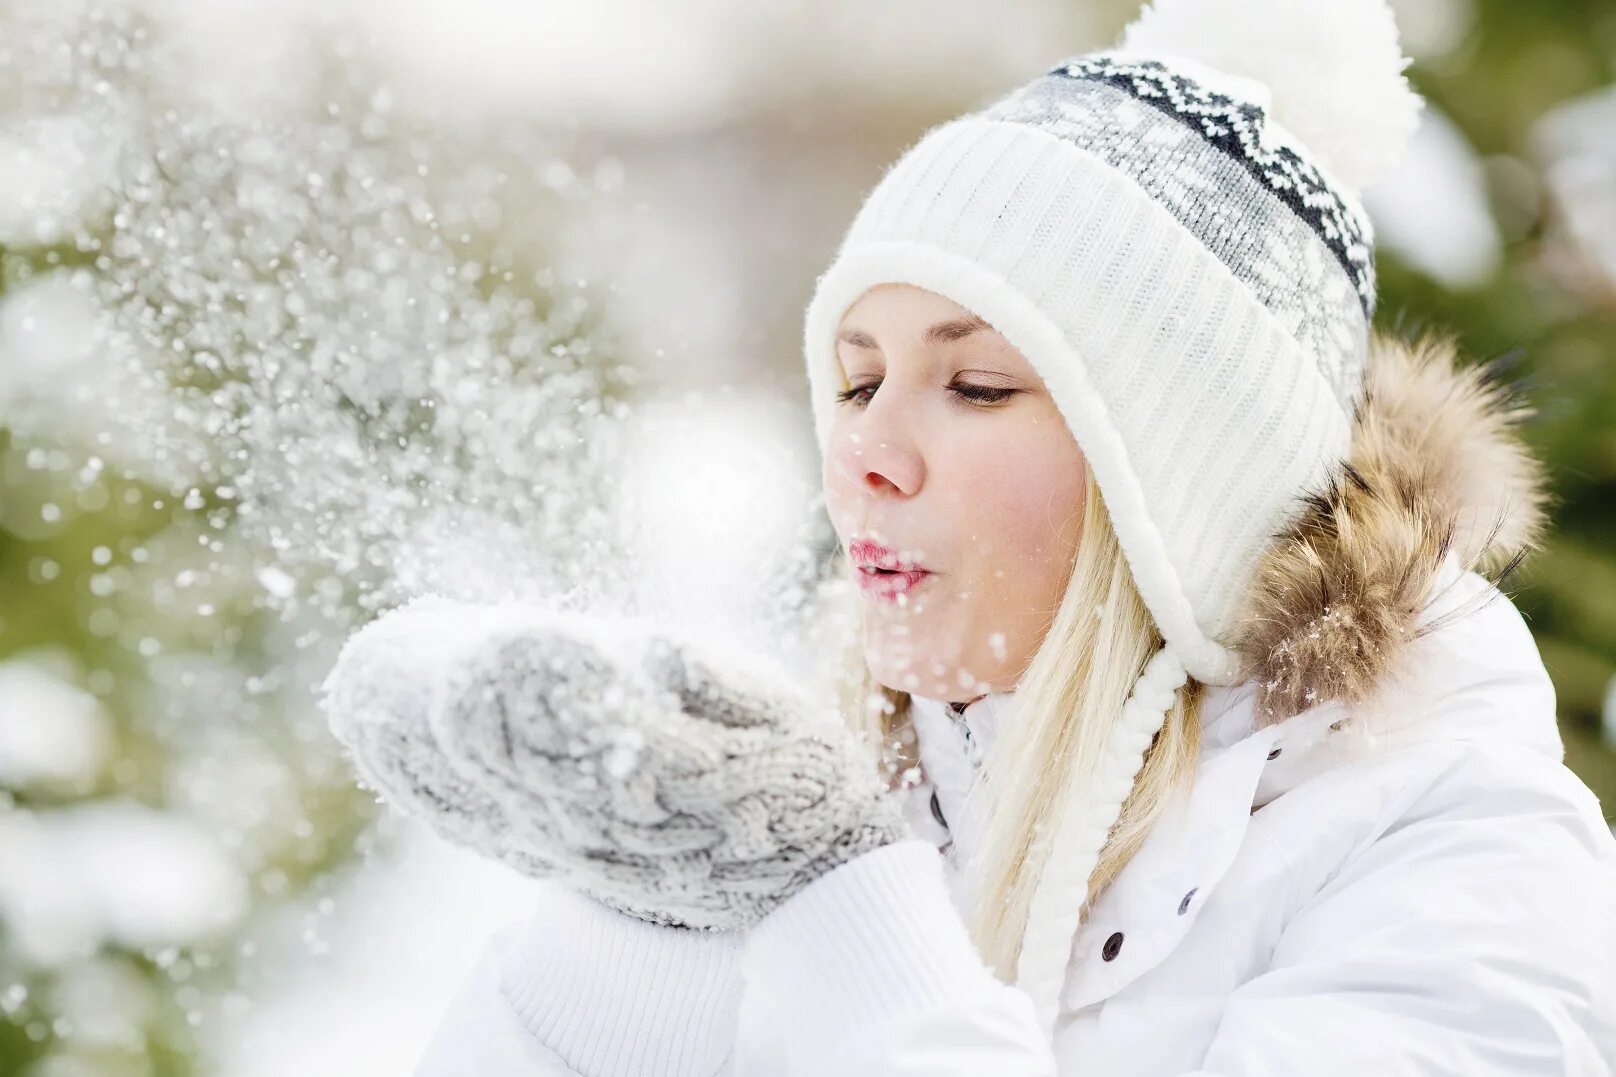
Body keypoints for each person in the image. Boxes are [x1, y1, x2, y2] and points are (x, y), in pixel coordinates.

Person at [317, 1, 1616, 1073]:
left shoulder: (1459, 860)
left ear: (1184, 476)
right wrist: (643, 928)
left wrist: (845, 910)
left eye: (978, 383)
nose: (867, 451)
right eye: (856, 378)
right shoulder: (894, 778)